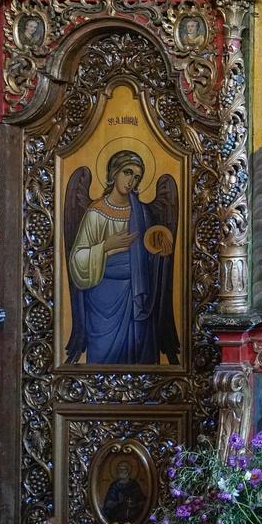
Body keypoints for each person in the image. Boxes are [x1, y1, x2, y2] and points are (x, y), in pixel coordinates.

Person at [64, 150, 179, 366]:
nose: (131, 181)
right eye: (127, 172)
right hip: (103, 296)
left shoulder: (143, 213)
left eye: (137, 177)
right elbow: (77, 258)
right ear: (113, 173)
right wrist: (107, 246)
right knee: (102, 358)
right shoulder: (95, 213)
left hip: (138, 295)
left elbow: (151, 252)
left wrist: (161, 253)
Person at [100, 457, 147, 524]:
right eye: (119, 470)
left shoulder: (134, 485)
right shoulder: (114, 485)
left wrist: (135, 505)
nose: (121, 471)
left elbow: (141, 501)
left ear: (128, 471)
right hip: (116, 516)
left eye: (123, 469)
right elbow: (107, 504)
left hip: (133, 514)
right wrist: (118, 502)